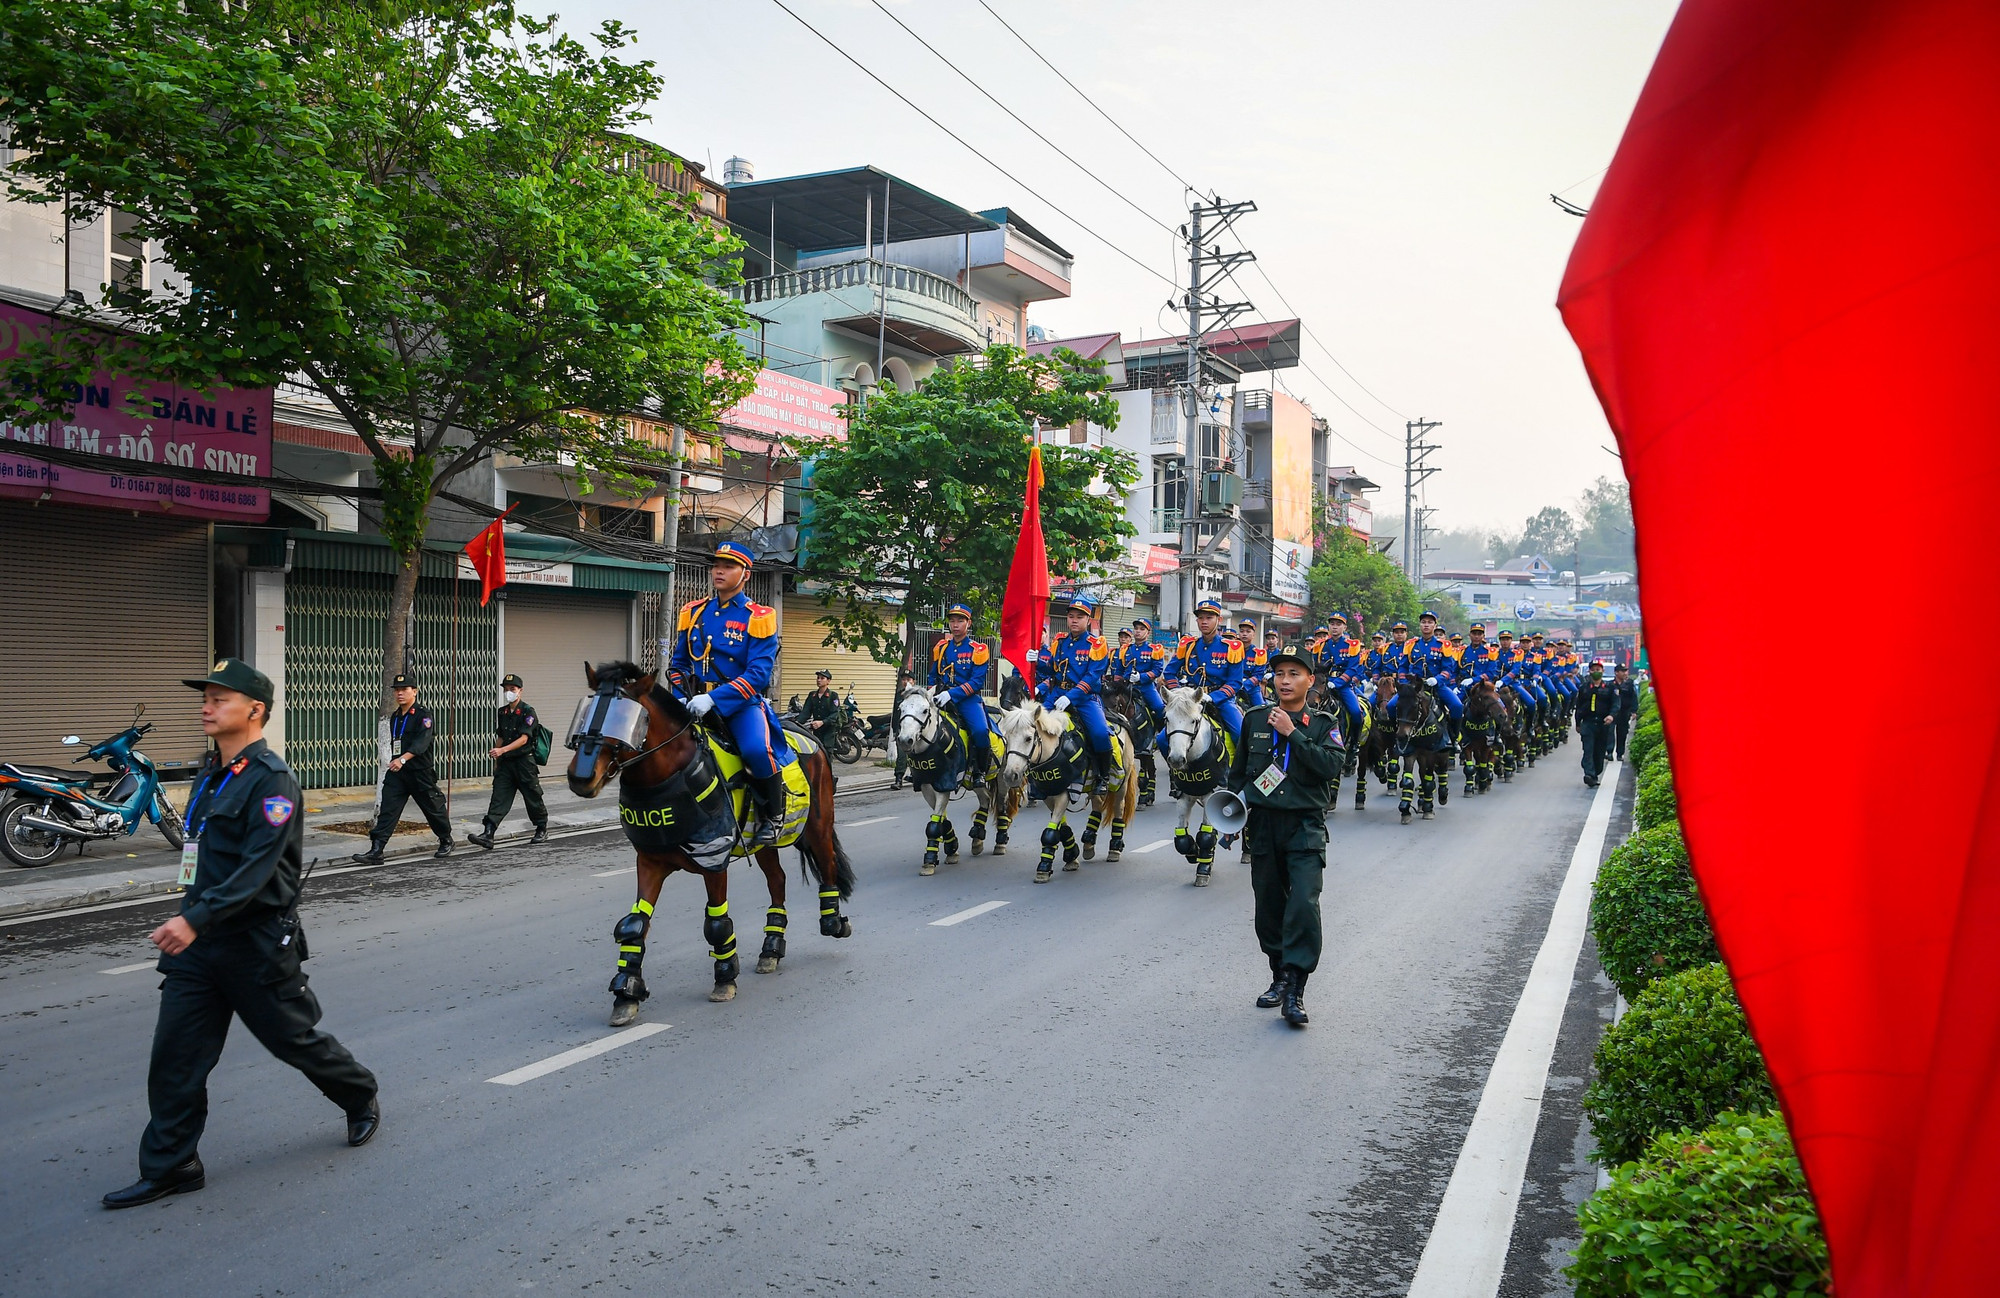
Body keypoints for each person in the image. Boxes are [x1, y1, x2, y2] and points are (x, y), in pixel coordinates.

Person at [103, 659, 380, 1210]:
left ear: (254, 710)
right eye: (204, 697)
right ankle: (174, 1164)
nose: (206, 706)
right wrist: (187, 904)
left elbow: (256, 870)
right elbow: (195, 846)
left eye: (219, 699)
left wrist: (193, 918)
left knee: (294, 1042)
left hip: (254, 943)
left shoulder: (273, 780)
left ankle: (359, 1093)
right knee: (175, 1057)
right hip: (199, 947)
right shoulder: (211, 775)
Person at [1228, 643, 1341, 1029]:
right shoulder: (1255, 719)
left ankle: (1295, 988)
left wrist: (1292, 733)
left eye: (1294, 674)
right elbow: (1240, 773)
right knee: (1269, 906)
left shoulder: (1325, 724)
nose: (1285, 680)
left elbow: (1330, 766)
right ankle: (1278, 974)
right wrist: (1231, 815)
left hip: (1305, 826)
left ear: (1311, 681)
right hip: (1263, 827)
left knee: (1304, 904)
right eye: (1279, 674)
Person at [668, 541, 795, 846]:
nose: (719, 571)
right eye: (716, 566)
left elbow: (758, 674)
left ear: (746, 574)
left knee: (754, 750)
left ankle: (773, 815)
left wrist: (714, 698)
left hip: (739, 706)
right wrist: (680, 698)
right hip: (693, 704)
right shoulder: (694, 612)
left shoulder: (759, 616)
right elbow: (677, 665)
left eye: (728, 566)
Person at [352, 672, 452, 863]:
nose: (400, 694)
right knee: (388, 809)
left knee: (433, 808)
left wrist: (403, 759)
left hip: (420, 771)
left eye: (404, 689)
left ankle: (446, 839)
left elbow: (421, 744)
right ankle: (377, 849)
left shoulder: (423, 715)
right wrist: (397, 761)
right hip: (399, 773)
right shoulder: (396, 717)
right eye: (397, 690)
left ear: (414, 691)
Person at [1038, 593, 1115, 790]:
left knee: (1099, 733)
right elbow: (1052, 670)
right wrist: (1036, 660)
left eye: (1079, 617)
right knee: (1033, 725)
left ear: (1088, 620)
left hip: (1084, 698)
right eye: (1071, 616)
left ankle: (1103, 776)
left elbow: (1092, 676)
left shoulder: (1096, 644)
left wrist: (1070, 697)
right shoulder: (1060, 642)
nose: (1074, 620)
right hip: (1056, 695)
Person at [468, 673, 548, 851]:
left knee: (532, 796)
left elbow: (524, 739)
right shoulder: (502, 712)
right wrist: (497, 759)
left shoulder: (528, 712)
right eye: (506, 689)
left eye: (513, 689)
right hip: (506, 764)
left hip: (524, 763)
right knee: (499, 797)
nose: (509, 692)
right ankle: (488, 833)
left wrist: (502, 750)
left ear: (520, 691)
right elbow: (501, 736)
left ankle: (541, 827)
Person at [1169, 598, 1246, 745]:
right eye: (1200, 618)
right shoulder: (1188, 645)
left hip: (1221, 700)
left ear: (1219, 620)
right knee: (1163, 739)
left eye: (1209, 618)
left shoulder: (1231, 647)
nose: (1204, 622)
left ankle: (1244, 768)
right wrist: (1179, 694)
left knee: (1241, 734)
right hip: (1191, 700)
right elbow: (1169, 673)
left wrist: (1213, 697)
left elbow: (1235, 682)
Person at [931, 603, 994, 783]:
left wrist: (953, 694)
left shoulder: (978, 649)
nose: (955, 625)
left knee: (981, 731)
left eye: (960, 621)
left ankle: (979, 771)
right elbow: (932, 675)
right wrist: (931, 691)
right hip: (941, 697)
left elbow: (976, 682)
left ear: (969, 623)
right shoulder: (942, 647)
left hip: (967, 699)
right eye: (952, 621)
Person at [1577, 661, 1620, 786]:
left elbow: (1616, 704)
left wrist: (1611, 715)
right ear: (1589, 671)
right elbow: (1579, 706)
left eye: (1598, 669)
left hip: (1603, 723)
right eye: (1593, 669)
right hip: (1588, 723)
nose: (1596, 671)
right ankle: (1589, 774)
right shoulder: (1584, 688)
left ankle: (1595, 772)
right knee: (1588, 749)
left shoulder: (1610, 688)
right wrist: (1578, 723)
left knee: (1599, 751)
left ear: (1603, 671)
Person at [891, 669, 918, 789]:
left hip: (915, 732)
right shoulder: (899, 695)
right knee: (901, 756)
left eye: (908, 679)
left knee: (916, 755)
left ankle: (916, 776)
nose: (905, 682)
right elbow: (895, 714)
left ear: (914, 682)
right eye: (904, 679)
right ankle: (898, 779)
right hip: (901, 730)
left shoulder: (918, 695)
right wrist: (894, 729)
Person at [800, 669, 843, 744]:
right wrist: (797, 723)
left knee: (827, 753)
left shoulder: (833, 695)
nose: (819, 680)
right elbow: (805, 712)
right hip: (817, 732)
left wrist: (822, 722)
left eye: (822, 678)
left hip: (829, 733)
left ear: (828, 681)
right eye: (818, 678)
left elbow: (834, 714)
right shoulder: (812, 695)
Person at [1236, 619, 1268, 708]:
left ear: (1253, 634)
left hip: (1251, 688)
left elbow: (1259, 675)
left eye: (1248, 631)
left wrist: (1245, 684)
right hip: (1233, 685)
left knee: (1261, 709)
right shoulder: (1232, 650)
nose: (1244, 634)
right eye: (1242, 631)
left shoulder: (1259, 653)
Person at [1612, 663, 1640, 758]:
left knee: (1622, 733)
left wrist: (1634, 711)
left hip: (1624, 711)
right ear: (1616, 672)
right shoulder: (1611, 685)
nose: (1625, 673)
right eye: (1622, 671)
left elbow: (1633, 698)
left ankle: (1620, 753)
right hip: (1612, 712)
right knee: (1609, 732)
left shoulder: (1629, 684)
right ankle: (1609, 751)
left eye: (1625, 671)